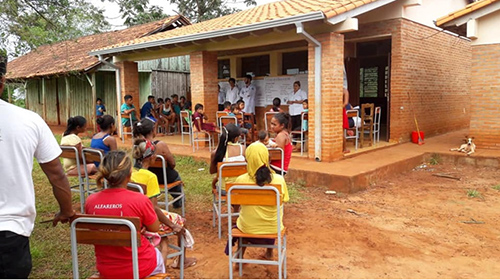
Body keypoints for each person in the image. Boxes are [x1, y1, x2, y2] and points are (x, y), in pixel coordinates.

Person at [0, 51, 75, 278]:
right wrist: (66, 210)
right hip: (10, 233)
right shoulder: (28, 121)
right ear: (2, 81)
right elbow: (56, 175)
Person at [85, 150, 167, 279]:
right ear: (129, 174)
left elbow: (95, 229)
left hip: (106, 270)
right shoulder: (140, 199)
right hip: (140, 267)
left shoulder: (90, 201)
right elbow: (155, 228)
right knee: (163, 246)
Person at [131, 138, 197, 269]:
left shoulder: (130, 172)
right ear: (151, 157)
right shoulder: (150, 177)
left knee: (165, 241)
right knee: (181, 221)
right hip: (148, 220)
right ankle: (181, 260)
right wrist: (172, 225)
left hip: (134, 217)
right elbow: (153, 208)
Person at [224, 142, 289, 260]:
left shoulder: (240, 180)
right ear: (267, 158)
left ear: (247, 159)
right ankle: (269, 252)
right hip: (273, 228)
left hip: (247, 228)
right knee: (271, 216)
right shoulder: (279, 180)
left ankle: (240, 257)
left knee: (243, 220)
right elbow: (284, 200)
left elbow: (235, 204)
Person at [133, 119, 185, 209]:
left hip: (145, 178)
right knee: (175, 177)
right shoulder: (161, 145)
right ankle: (178, 200)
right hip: (164, 178)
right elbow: (172, 164)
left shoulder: (137, 145)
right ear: (153, 130)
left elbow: (137, 165)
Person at [209, 124, 246, 194]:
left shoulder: (217, 152)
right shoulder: (243, 149)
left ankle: (234, 204)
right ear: (235, 139)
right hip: (241, 186)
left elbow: (212, 171)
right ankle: (235, 204)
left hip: (224, 189)